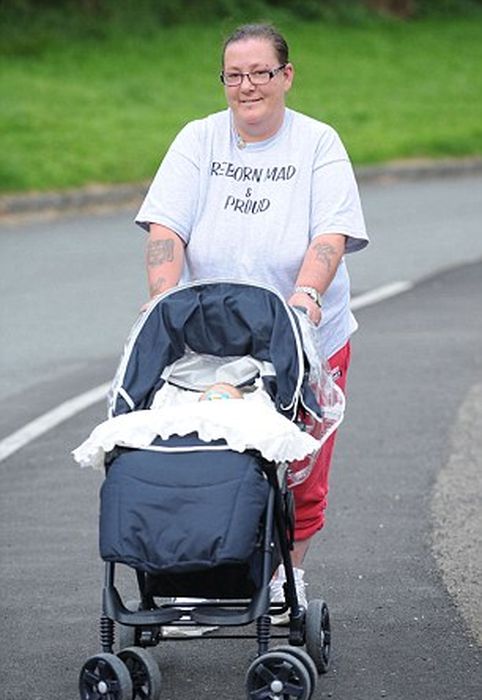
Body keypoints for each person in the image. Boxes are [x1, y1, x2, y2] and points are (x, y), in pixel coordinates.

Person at [135, 22, 369, 624]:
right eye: (234, 75)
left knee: (298, 468)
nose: (247, 86)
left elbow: (330, 234)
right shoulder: (198, 139)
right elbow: (166, 228)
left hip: (302, 334)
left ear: (285, 76)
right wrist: (164, 300)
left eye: (260, 73)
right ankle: (201, 574)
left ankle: (286, 578)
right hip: (211, 343)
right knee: (205, 455)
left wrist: (306, 295)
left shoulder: (317, 143)